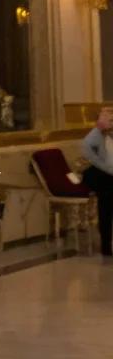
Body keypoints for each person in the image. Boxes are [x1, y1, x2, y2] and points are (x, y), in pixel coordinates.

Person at [82, 107, 113, 257]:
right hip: (98, 175)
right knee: (106, 198)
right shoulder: (93, 138)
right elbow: (97, 162)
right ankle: (106, 244)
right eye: (109, 120)